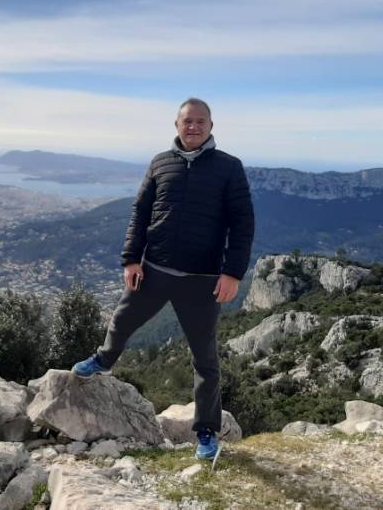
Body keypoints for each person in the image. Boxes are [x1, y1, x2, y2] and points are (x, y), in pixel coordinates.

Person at [72, 97, 255, 461]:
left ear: (211, 127)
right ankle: (104, 361)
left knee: (205, 359)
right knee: (122, 320)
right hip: (154, 268)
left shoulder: (229, 167)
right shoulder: (160, 162)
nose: (194, 127)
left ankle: (206, 432)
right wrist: (131, 259)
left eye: (200, 121)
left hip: (202, 278)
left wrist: (233, 273)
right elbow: (140, 212)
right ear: (177, 125)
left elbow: (243, 222)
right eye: (188, 121)